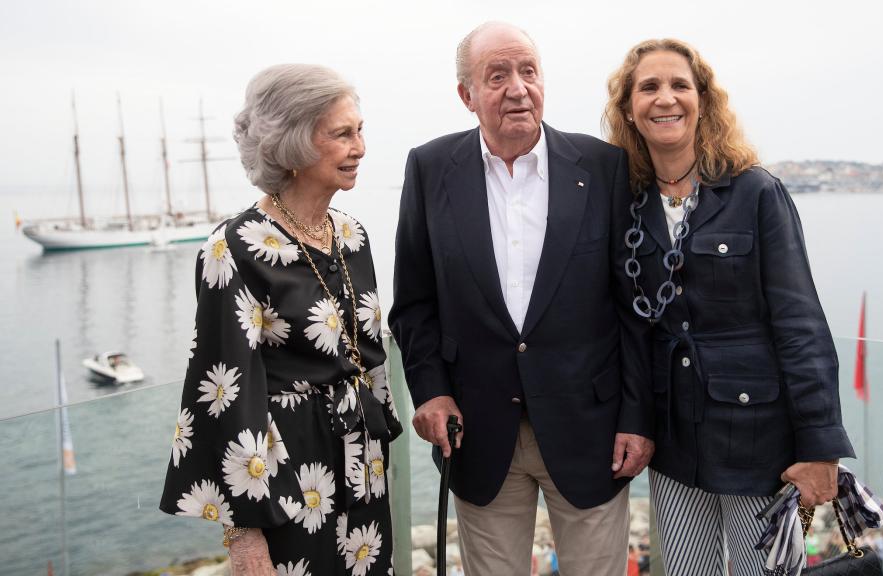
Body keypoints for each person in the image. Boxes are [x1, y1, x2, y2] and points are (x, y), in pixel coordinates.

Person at [390, 21, 653, 576]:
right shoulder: (430, 168)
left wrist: (637, 415)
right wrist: (431, 392)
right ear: (467, 95)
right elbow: (414, 303)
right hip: (478, 432)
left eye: (528, 72)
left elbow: (632, 306)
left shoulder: (603, 167)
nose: (517, 88)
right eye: (498, 75)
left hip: (592, 431)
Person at [604, 38, 856, 575]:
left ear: (704, 101)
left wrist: (820, 447)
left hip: (759, 442)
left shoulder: (756, 192)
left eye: (679, 85)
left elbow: (800, 322)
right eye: (648, 87)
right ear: (629, 107)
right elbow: (629, 329)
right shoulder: (628, 203)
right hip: (674, 446)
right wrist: (635, 420)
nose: (665, 98)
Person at [159, 64, 402, 575]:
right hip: (286, 483)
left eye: (359, 131)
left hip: (365, 475)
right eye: (342, 134)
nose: (359, 147)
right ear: (291, 145)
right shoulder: (235, 246)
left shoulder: (352, 234)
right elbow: (224, 389)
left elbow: (370, 359)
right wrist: (244, 539)